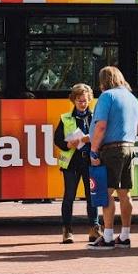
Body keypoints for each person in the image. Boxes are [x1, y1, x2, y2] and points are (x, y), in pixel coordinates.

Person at [87, 66, 138, 250]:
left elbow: (101, 126)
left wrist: (94, 150)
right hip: (129, 148)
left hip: (110, 150)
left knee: (106, 193)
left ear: (103, 81)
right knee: (125, 193)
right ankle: (125, 236)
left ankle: (108, 237)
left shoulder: (107, 96)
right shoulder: (132, 98)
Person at [53, 83, 100, 244]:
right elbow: (57, 139)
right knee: (69, 196)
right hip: (72, 163)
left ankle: (94, 229)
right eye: (79, 100)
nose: (82, 103)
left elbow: (101, 136)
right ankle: (67, 230)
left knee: (92, 197)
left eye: (85, 100)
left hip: (90, 161)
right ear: (73, 100)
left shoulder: (95, 117)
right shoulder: (65, 118)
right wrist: (68, 144)